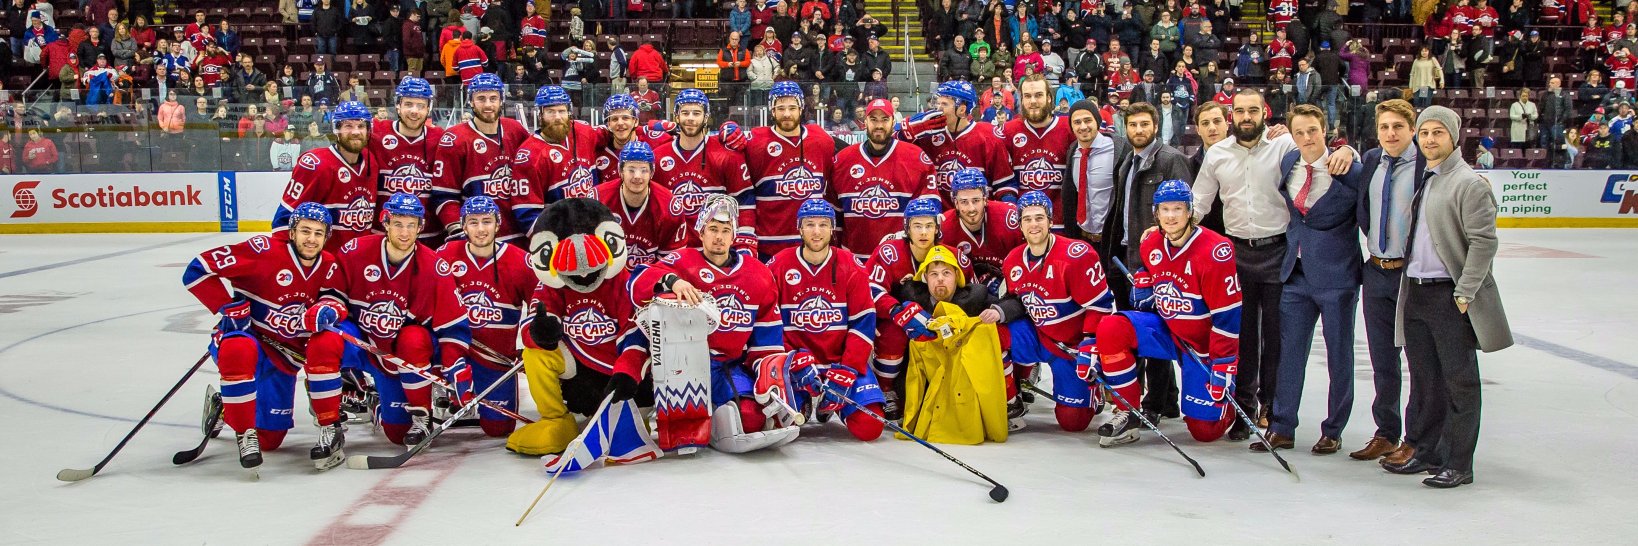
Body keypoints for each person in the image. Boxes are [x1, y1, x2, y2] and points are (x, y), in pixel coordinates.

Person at [1191, 89, 1355, 440]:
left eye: (1253, 110)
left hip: (1280, 252)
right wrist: (1168, 229)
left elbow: (1319, 153)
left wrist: (1347, 149)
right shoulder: (1217, 154)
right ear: (1231, 115)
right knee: (1242, 336)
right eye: (1239, 111)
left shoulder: (1285, 146)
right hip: (1237, 255)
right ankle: (1244, 406)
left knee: (1279, 338)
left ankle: (1272, 406)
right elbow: (1199, 202)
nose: (1246, 117)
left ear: (1264, 112)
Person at [1384, 105, 1513, 489]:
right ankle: (1428, 452)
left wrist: (1465, 293)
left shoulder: (1469, 183)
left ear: (1454, 137)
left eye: (1437, 132)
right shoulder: (1431, 178)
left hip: (1449, 297)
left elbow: (1484, 243)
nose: (1428, 140)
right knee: (1426, 381)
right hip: (1419, 295)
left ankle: (1459, 462)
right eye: (1424, 133)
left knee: (1460, 384)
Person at [181, 202, 348, 472]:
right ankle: (243, 432)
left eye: (319, 233)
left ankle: (223, 406)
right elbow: (196, 269)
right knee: (238, 349)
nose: (311, 239)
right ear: (292, 231)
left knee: (270, 440)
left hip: (283, 356)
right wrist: (226, 305)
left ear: (327, 237)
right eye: (305, 231)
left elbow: (339, 299)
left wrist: (326, 310)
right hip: (248, 341)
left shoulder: (329, 264)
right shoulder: (263, 251)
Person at [315, 191, 472, 447]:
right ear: (385, 222)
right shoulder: (355, 251)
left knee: (397, 433)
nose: (404, 232)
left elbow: (453, 325)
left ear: (420, 227)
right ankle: (328, 424)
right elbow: (333, 293)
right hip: (365, 343)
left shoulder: (434, 267)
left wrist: (455, 364)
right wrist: (329, 308)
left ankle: (420, 417)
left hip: (401, 353)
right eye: (398, 224)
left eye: (411, 226)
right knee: (323, 341)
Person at [1092, 179, 1241, 446]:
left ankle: (1229, 401)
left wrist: (1223, 363)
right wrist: (1144, 284)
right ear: (1156, 213)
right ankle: (1129, 412)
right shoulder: (1151, 244)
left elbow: (1227, 314)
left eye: (1178, 209)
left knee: (1204, 432)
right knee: (1111, 327)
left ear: (1190, 211)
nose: (1171, 216)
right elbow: (1151, 275)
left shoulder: (1215, 250)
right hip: (1168, 331)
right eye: (1165, 209)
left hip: (1202, 344)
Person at [643, 195, 796, 452]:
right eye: (713, 229)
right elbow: (638, 279)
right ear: (701, 232)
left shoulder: (757, 274)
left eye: (726, 231)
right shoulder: (682, 261)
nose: (719, 237)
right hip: (685, 366)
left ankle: (718, 409)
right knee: (684, 439)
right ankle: (704, 413)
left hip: (728, 365)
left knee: (751, 418)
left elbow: (766, 336)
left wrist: (767, 373)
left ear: (734, 235)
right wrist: (673, 281)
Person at [1260, 104, 1364, 454]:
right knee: (1289, 354)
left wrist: (1350, 150)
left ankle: (1333, 429)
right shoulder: (1289, 164)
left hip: (1337, 277)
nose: (1307, 138)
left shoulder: (1349, 169)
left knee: (1339, 355)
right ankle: (1282, 425)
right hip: (1296, 276)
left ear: (1326, 132)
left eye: (1313, 131)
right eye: (1300, 132)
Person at [763, 198, 888, 440]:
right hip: (797, 362)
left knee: (870, 427)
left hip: (840, 361)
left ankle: (835, 403)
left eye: (823, 225)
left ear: (832, 229)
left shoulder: (851, 266)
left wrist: (848, 371)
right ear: (799, 228)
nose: (817, 231)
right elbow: (768, 322)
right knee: (783, 425)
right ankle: (806, 402)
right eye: (810, 224)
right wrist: (791, 358)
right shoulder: (778, 265)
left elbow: (864, 322)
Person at [1000, 190, 1116, 433]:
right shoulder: (1012, 260)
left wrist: (1089, 345)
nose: (1034, 224)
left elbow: (1101, 306)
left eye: (1039, 218)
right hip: (1039, 335)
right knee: (993, 333)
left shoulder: (1077, 255)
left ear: (1051, 221)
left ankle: (1092, 392)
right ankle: (1011, 398)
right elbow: (1017, 302)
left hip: (1071, 345)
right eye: (1027, 219)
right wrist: (998, 310)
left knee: (1072, 422)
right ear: (1019, 225)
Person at [1351, 98, 1425, 462]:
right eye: (1384, 127)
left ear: (1412, 129)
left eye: (1398, 126)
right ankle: (1387, 432)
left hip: (1412, 277)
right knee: (1383, 360)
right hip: (1376, 270)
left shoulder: (1426, 165)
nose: (1391, 133)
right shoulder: (1370, 162)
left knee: (1419, 360)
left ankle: (1417, 437)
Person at [433, 196, 536, 438]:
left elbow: (540, 303)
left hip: (495, 359)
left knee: (499, 429)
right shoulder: (445, 255)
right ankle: (439, 394)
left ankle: (478, 400)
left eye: (487, 222)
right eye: (473, 222)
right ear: (463, 225)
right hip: (454, 353)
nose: (480, 229)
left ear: (498, 224)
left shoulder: (519, 261)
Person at [865, 196, 974, 420]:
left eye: (929, 226)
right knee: (892, 336)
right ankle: (886, 389)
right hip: (896, 323)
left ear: (937, 229)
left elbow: (969, 292)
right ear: (907, 228)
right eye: (917, 226)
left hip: (936, 323)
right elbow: (870, 291)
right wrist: (897, 311)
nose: (923, 232)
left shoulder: (954, 256)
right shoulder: (889, 253)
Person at [743, 81, 842, 259]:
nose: (787, 114)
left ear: (801, 108)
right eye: (780, 108)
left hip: (812, 246)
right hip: (769, 246)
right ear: (772, 111)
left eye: (792, 107)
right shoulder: (755, 142)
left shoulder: (822, 140)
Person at [431, 73, 531, 243]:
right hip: (477, 239)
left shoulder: (516, 131)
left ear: (501, 100)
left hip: (519, 236)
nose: (488, 105)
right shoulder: (455, 138)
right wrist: (458, 229)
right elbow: (444, 195)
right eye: (481, 98)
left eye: (493, 98)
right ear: (471, 101)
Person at [828, 98, 936, 254]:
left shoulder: (915, 158)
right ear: (865, 122)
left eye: (885, 119)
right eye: (873, 119)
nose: (879, 125)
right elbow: (834, 216)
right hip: (854, 261)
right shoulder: (842, 161)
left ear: (894, 122)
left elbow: (930, 212)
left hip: (900, 260)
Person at [272, 101, 376, 254]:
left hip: (360, 263)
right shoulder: (315, 165)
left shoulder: (371, 161)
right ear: (336, 129)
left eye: (361, 126)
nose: (355, 132)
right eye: (348, 126)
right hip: (326, 265)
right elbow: (284, 220)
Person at [899, 80, 1013, 202]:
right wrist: (908, 131)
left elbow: (1005, 185)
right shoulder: (927, 134)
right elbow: (888, 147)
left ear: (962, 110)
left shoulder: (988, 136)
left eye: (944, 104)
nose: (938, 109)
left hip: (976, 216)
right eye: (937, 104)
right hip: (937, 217)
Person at [650, 88, 751, 223]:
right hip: (674, 243)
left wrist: (745, 235)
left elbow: (744, 198)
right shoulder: (658, 156)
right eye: (685, 113)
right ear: (677, 116)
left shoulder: (725, 153)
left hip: (714, 242)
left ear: (706, 117)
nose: (690, 118)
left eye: (696, 113)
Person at [370, 76, 444, 243]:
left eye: (421, 105)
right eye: (408, 104)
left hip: (429, 237)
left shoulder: (440, 138)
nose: (414, 111)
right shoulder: (376, 134)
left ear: (428, 108)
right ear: (398, 105)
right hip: (383, 236)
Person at [594, 141, 688, 268]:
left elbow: (671, 262)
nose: (637, 176)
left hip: (650, 278)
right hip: (608, 277)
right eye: (631, 170)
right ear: (620, 170)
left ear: (652, 172)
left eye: (644, 170)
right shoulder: (598, 200)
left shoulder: (668, 206)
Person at [999, 75, 1074, 231]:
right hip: (1024, 225)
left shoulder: (1069, 128)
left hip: (1062, 224)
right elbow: (1002, 180)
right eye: (1027, 96)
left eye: (1038, 95)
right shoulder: (1009, 131)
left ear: (1049, 98)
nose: (1033, 101)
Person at [942, 168, 1025, 290]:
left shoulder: (1009, 218)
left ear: (985, 199)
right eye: (964, 202)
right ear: (956, 203)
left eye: (976, 201)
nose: (971, 209)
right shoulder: (944, 227)